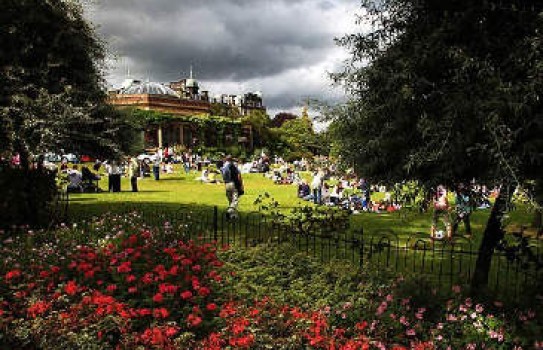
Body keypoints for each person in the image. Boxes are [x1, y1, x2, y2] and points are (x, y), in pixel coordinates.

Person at [221, 155, 243, 219]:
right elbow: (238, 176)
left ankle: (233, 216)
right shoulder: (232, 166)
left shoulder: (224, 167)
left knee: (230, 200)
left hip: (226, 184)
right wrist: (240, 185)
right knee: (235, 200)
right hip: (232, 183)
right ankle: (229, 211)